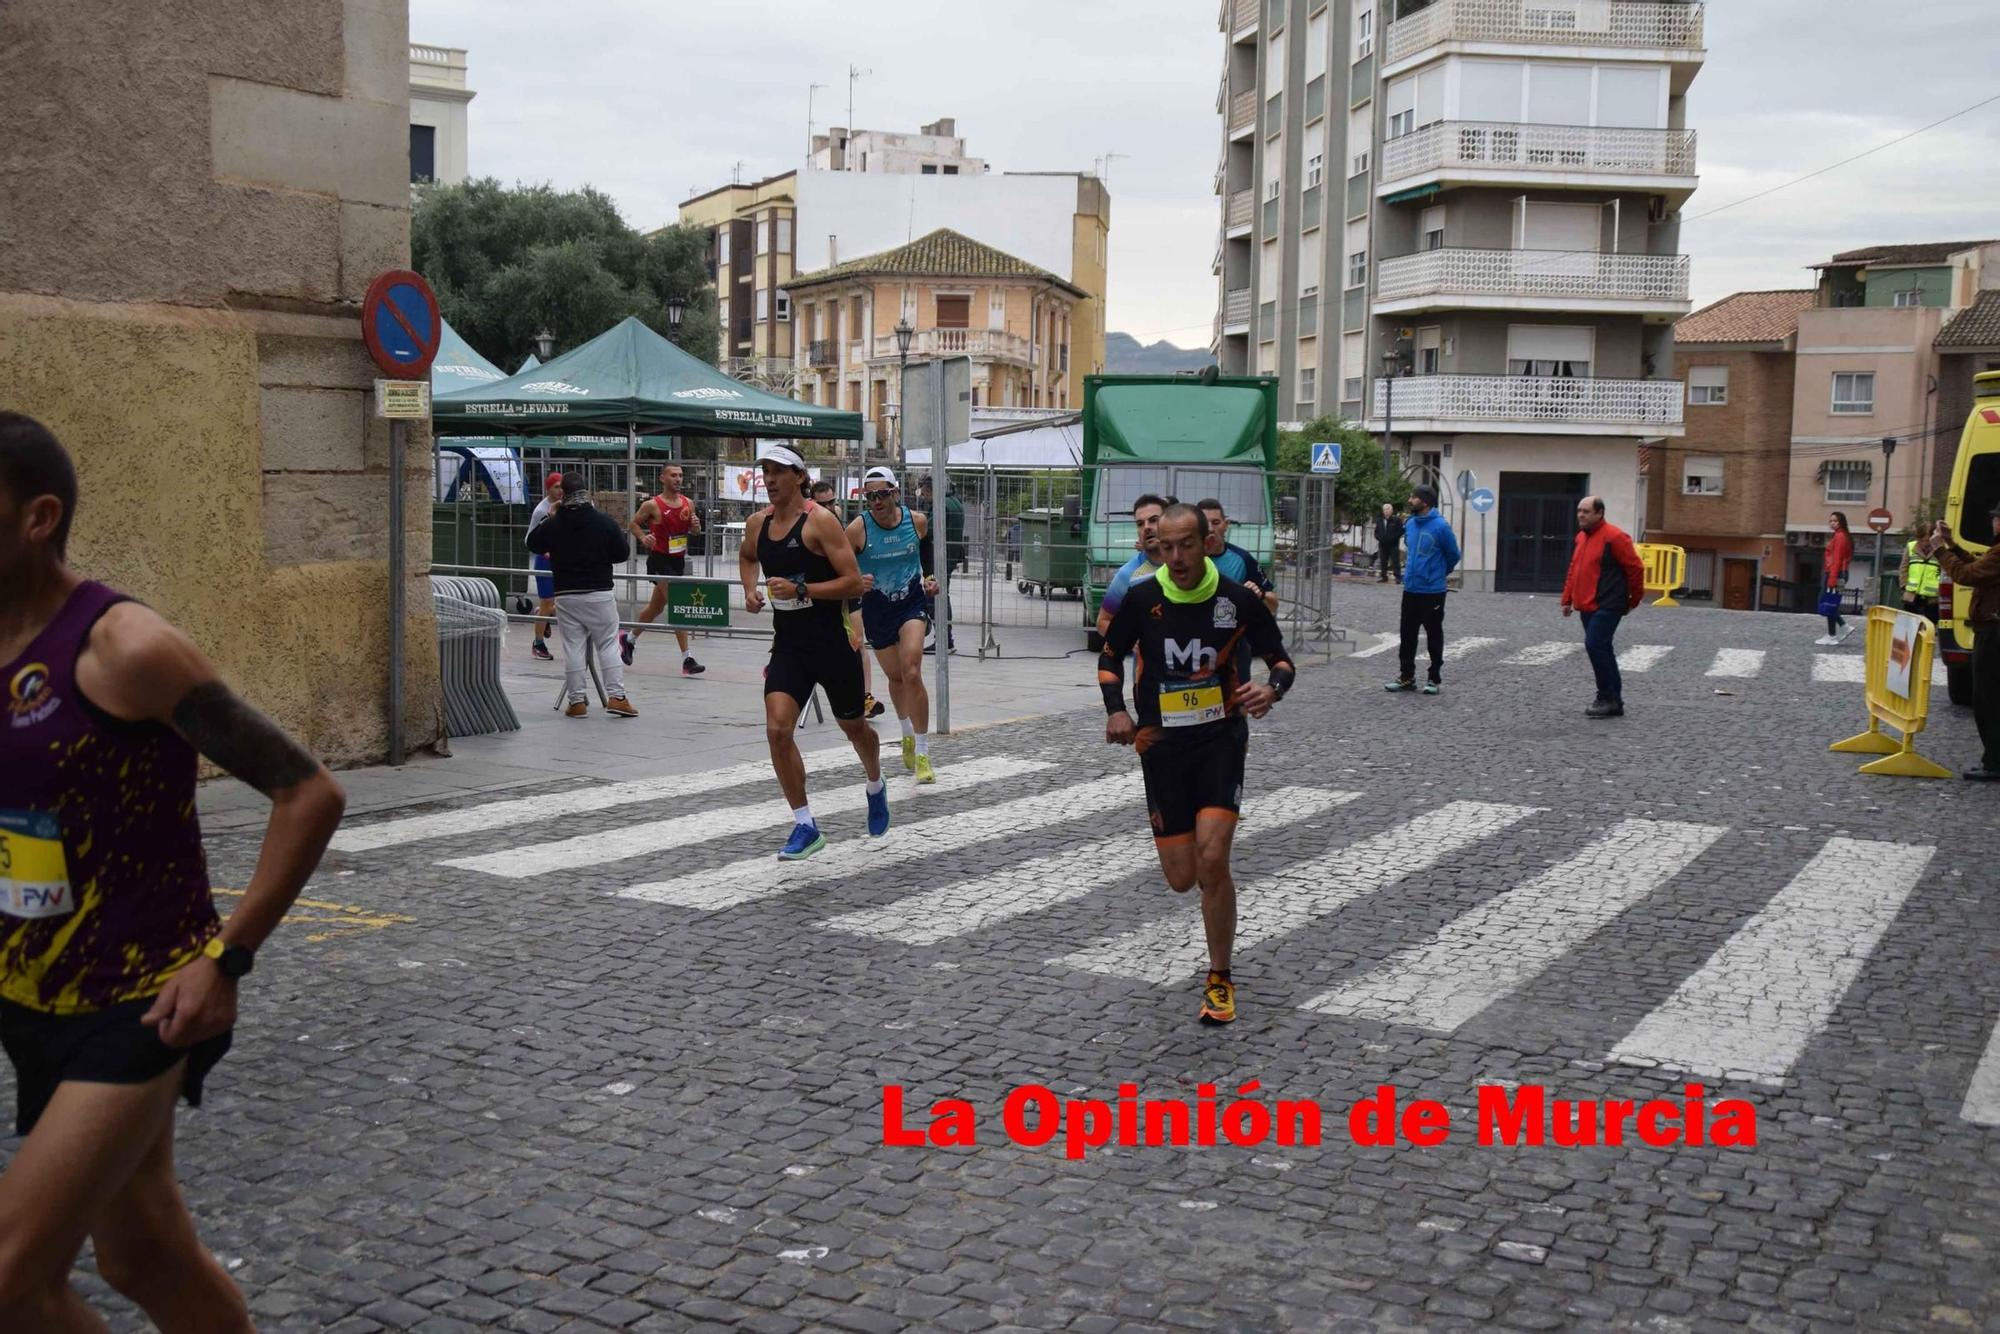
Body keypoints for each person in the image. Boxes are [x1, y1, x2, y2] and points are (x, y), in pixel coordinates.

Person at [0, 411, 347, 1330]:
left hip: (142, 1000)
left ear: (38, 517)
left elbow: (308, 793)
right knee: (143, 1255)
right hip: (30, 997)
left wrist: (226, 958)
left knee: (8, 1279)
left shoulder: (124, 648)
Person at [1100, 503, 1295, 1026]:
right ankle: (1212, 931)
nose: (1178, 556)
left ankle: (1220, 976)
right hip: (1161, 746)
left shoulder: (1237, 601)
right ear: (1156, 547)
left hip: (1220, 740)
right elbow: (1107, 656)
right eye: (1167, 547)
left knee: (1213, 860)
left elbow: (1282, 662)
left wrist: (1270, 690)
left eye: (1187, 544)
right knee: (1182, 877)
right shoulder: (1143, 598)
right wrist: (1117, 711)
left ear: (1208, 541)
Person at [739, 443, 889, 857]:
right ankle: (805, 825)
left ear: (799, 477)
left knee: (855, 729)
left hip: (833, 646)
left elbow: (854, 582)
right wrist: (751, 590)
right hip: (789, 646)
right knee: (777, 729)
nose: (768, 479)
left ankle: (875, 783)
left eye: (777, 471)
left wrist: (802, 588)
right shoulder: (758, 523)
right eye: (764, 471)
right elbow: (748, 556)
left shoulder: (820, 522)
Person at [848, 467, 942, 783]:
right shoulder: (858, 530)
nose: (876, 501)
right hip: (877, 608)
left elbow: (925, 551)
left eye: (882, 494)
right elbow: (842, 566)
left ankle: (925, 753)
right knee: (896, 677)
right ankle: (906, 733)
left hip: (910, 602)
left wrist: (929, 578)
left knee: (912, 669)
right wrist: (855, 583)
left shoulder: (915, 521)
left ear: (895, 492)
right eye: (870, 495)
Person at [526, 471, 637, 718]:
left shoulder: (555, 523)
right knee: (607, 643)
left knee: (573, 647)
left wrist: (550, 515)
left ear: (562, 495)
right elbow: (622, 553)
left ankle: (576, 701)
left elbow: (532, 543)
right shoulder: (603, 521)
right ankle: (617, 697)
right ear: (587, 492)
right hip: (599, 592)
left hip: (566, 593)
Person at [1921, 504, 2000, 781]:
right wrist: (1953, 545)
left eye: (1995, 518)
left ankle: (1995, 762)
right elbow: (1976, 567)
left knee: (1988, 698)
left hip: (1994, 631)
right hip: (1990, 627)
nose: (1992, 523)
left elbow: (1966, 575)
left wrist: (1940, 550)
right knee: (1989, 697)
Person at [1560, 495, 1648, 719]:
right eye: (1579, 510)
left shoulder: (1615, 537)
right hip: (1586, 604)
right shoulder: (1581, 537)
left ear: (1600, 513)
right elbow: (1575, 568)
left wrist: (1633, 599)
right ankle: (1613, 700)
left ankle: (1606, 697)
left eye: (1586, 511)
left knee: (1595, 645)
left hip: (1608, 603)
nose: (1581, 515)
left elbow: (1635, 568)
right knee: (1602, 649)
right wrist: (1567, 598)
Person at [620, 464, 705, 677]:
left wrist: (696, 527)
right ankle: (687, 659)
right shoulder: (652, 505)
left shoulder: (688, 503)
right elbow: (633, 524)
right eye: (673, 475)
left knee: (655, 609)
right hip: (659, 561)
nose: (678, 479)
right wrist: (642, 537)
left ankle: (628, 639)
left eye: (680, 475)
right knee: (679, 605)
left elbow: (695, 531)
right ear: (662, 478)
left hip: (678, 561)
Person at [812, 479, 887, 718]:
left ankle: (865, 697)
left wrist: (859, 578)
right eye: (822, 503)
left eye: (832, 502)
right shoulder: (807, 525)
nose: (829, 507)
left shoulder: (840, 521)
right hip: (819, 593)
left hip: (848, 589)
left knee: (858, 640)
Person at [1385, 485, 1460, 696]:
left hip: (1432, 591)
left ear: (1425, 502)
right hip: (1411, 589)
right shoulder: (1410, 524)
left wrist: (1437, 574)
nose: (1410, 500)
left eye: (1414, 497)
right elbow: (1410, 547)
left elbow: (1453, 554)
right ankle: (1406, 676)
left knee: (1434, 634)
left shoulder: (1441, 527)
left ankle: (1434, 678)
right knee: (1407, 635)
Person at [1093, 493, 1171, 644]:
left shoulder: (1187, 565)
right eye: (1140, 523)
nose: (1147, 527)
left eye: (1154, 520)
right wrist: (1132, 641)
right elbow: (1103, 621)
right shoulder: (1127, 574)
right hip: (1147, 667)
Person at [1197, 498, 1280, 613]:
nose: (1210, 529)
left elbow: (1274, 605)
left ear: (1226, 525)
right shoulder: (1187, 558)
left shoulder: (1242, 559)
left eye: (1216, 523)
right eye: (1205, 524)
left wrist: (1260, 594)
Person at [528, 471, 564, 660]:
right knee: (547, 602)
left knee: (559, 602)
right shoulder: (542, 510)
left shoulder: (564, 506)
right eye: (555, 487)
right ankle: (538, 644)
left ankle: (544, 614)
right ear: (548, 489)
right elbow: (530, 538)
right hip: (544, 561)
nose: (560, 490)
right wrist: (545, 550)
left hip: (560, 560)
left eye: (561, 486)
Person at [1819, 511, 1854, 645]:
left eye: (1835, 521)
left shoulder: (1840, 537)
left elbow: (1837, 559)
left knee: (1828, 603)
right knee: (1830, 602)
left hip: (1836, 573)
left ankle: (1832, 634)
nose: (1832, 523)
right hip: (1838, 572)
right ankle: (1841, 628)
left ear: (1841, 522)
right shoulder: (1841, 535)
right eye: (1831, 521)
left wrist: (1832, 579)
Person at [1902, 531, 1941, 624]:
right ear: (1918, 539)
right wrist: (1903, 585)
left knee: (1930, 626)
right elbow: (1903, 568)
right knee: (1909, 627)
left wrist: (1939, 589)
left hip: (1932, 597)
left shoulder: (1939, 549)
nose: (1926, 543)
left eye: (1928, 540)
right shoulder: (1911, 547)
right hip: (1911, 595)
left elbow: (1944, 571)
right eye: (1923, 540)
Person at [1374, 503, 1404, 584]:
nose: (1386, 511)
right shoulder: (1379, 520)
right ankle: (1384, 577)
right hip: (1383, 544)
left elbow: (1401, 531)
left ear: (1392, 510)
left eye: (1388, 509)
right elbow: (1376, 532)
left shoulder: (1397, 520)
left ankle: (1398, 578)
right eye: (1385, 509)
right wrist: (1379, 538)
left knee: (1395, 561)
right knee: (1383, 561)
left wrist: (1394, 538)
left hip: (1393, 544)